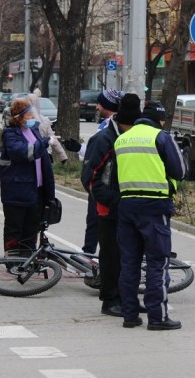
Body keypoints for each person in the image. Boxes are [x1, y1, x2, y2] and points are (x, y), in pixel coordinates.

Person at [114, 93, 185, 331]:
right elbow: (180, 170)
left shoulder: (122, 139)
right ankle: (158, 316)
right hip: (154, 207)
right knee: (157, 262)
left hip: (126, 206)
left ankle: (129, 315)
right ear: (160, 120)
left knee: (130, 263)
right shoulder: (160, 137)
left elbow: (115, 176)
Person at [80, 94, 141, 317]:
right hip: (109, 209)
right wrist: (110, 200)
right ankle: (110, 300)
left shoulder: (131, 136)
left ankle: (127, 298)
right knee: (111, 256)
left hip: (129, 207)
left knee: (129, 256)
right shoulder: (104, 139)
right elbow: (90, 177)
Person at [64, 88, 124, 254]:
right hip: (102, 183)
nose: (97, 107)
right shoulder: (106, 125)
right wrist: (78, 148)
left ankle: (90, 257)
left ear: (108, 105)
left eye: (99, 103)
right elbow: (97, 153)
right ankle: (88, 254)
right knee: (94, 223)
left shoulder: (113, 127)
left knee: (97, 223)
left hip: (103, 184)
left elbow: (103, 155)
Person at [0, 97, 55, 256]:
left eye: (32, 113)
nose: (32, 117)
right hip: (17, 189)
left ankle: (29, 258)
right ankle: (13, 259)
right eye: (29, 114)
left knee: (32, 226)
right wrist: (44, 143)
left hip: (36, 188)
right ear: (19, 117)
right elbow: (24, 153)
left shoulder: (34, 131)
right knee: (15, 227)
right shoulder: (10, 134)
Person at [29, 93, 67, 165]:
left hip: (43, 153)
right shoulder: (23, 121)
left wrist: (62, 155)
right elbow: (52, 138)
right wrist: (62, 155)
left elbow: (52, 138)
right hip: (35, 153)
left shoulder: (44, 120)